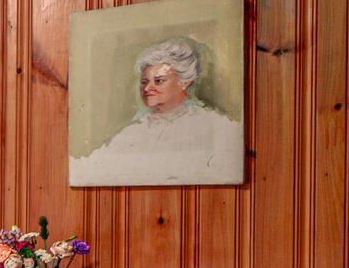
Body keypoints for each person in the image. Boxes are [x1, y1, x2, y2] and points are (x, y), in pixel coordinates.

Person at [69, 36, 243, 186]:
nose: (147, 88)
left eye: (158, 81)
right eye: (145, 82)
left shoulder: (214, 125)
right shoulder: (134, 131)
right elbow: (92, 167)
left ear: (185, 81)